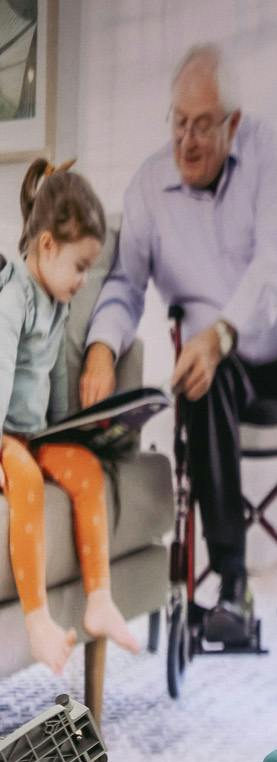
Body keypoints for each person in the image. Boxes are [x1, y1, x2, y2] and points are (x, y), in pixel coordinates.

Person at [82, 42, 277, 660]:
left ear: (232, 123)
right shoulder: (148, 189)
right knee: (199, 381)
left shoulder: (267, 153)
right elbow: (124, 284)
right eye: (179, 122)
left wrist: (221, 333)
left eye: (203, 124)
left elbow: (272, 260)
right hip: (220, 367)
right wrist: (103, 346)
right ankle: (233, 586)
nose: (187, 140)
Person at [1, 158, 142, 675]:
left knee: (85, 470)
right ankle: (37, 620)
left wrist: (72, 427)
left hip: (34, 433)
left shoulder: (57, 304)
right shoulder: (12, 295)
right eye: (81, 267)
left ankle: (99, 601)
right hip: (3, 437)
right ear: (46, 247)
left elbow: (55, 384)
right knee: (25, 479)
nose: (85, 280)